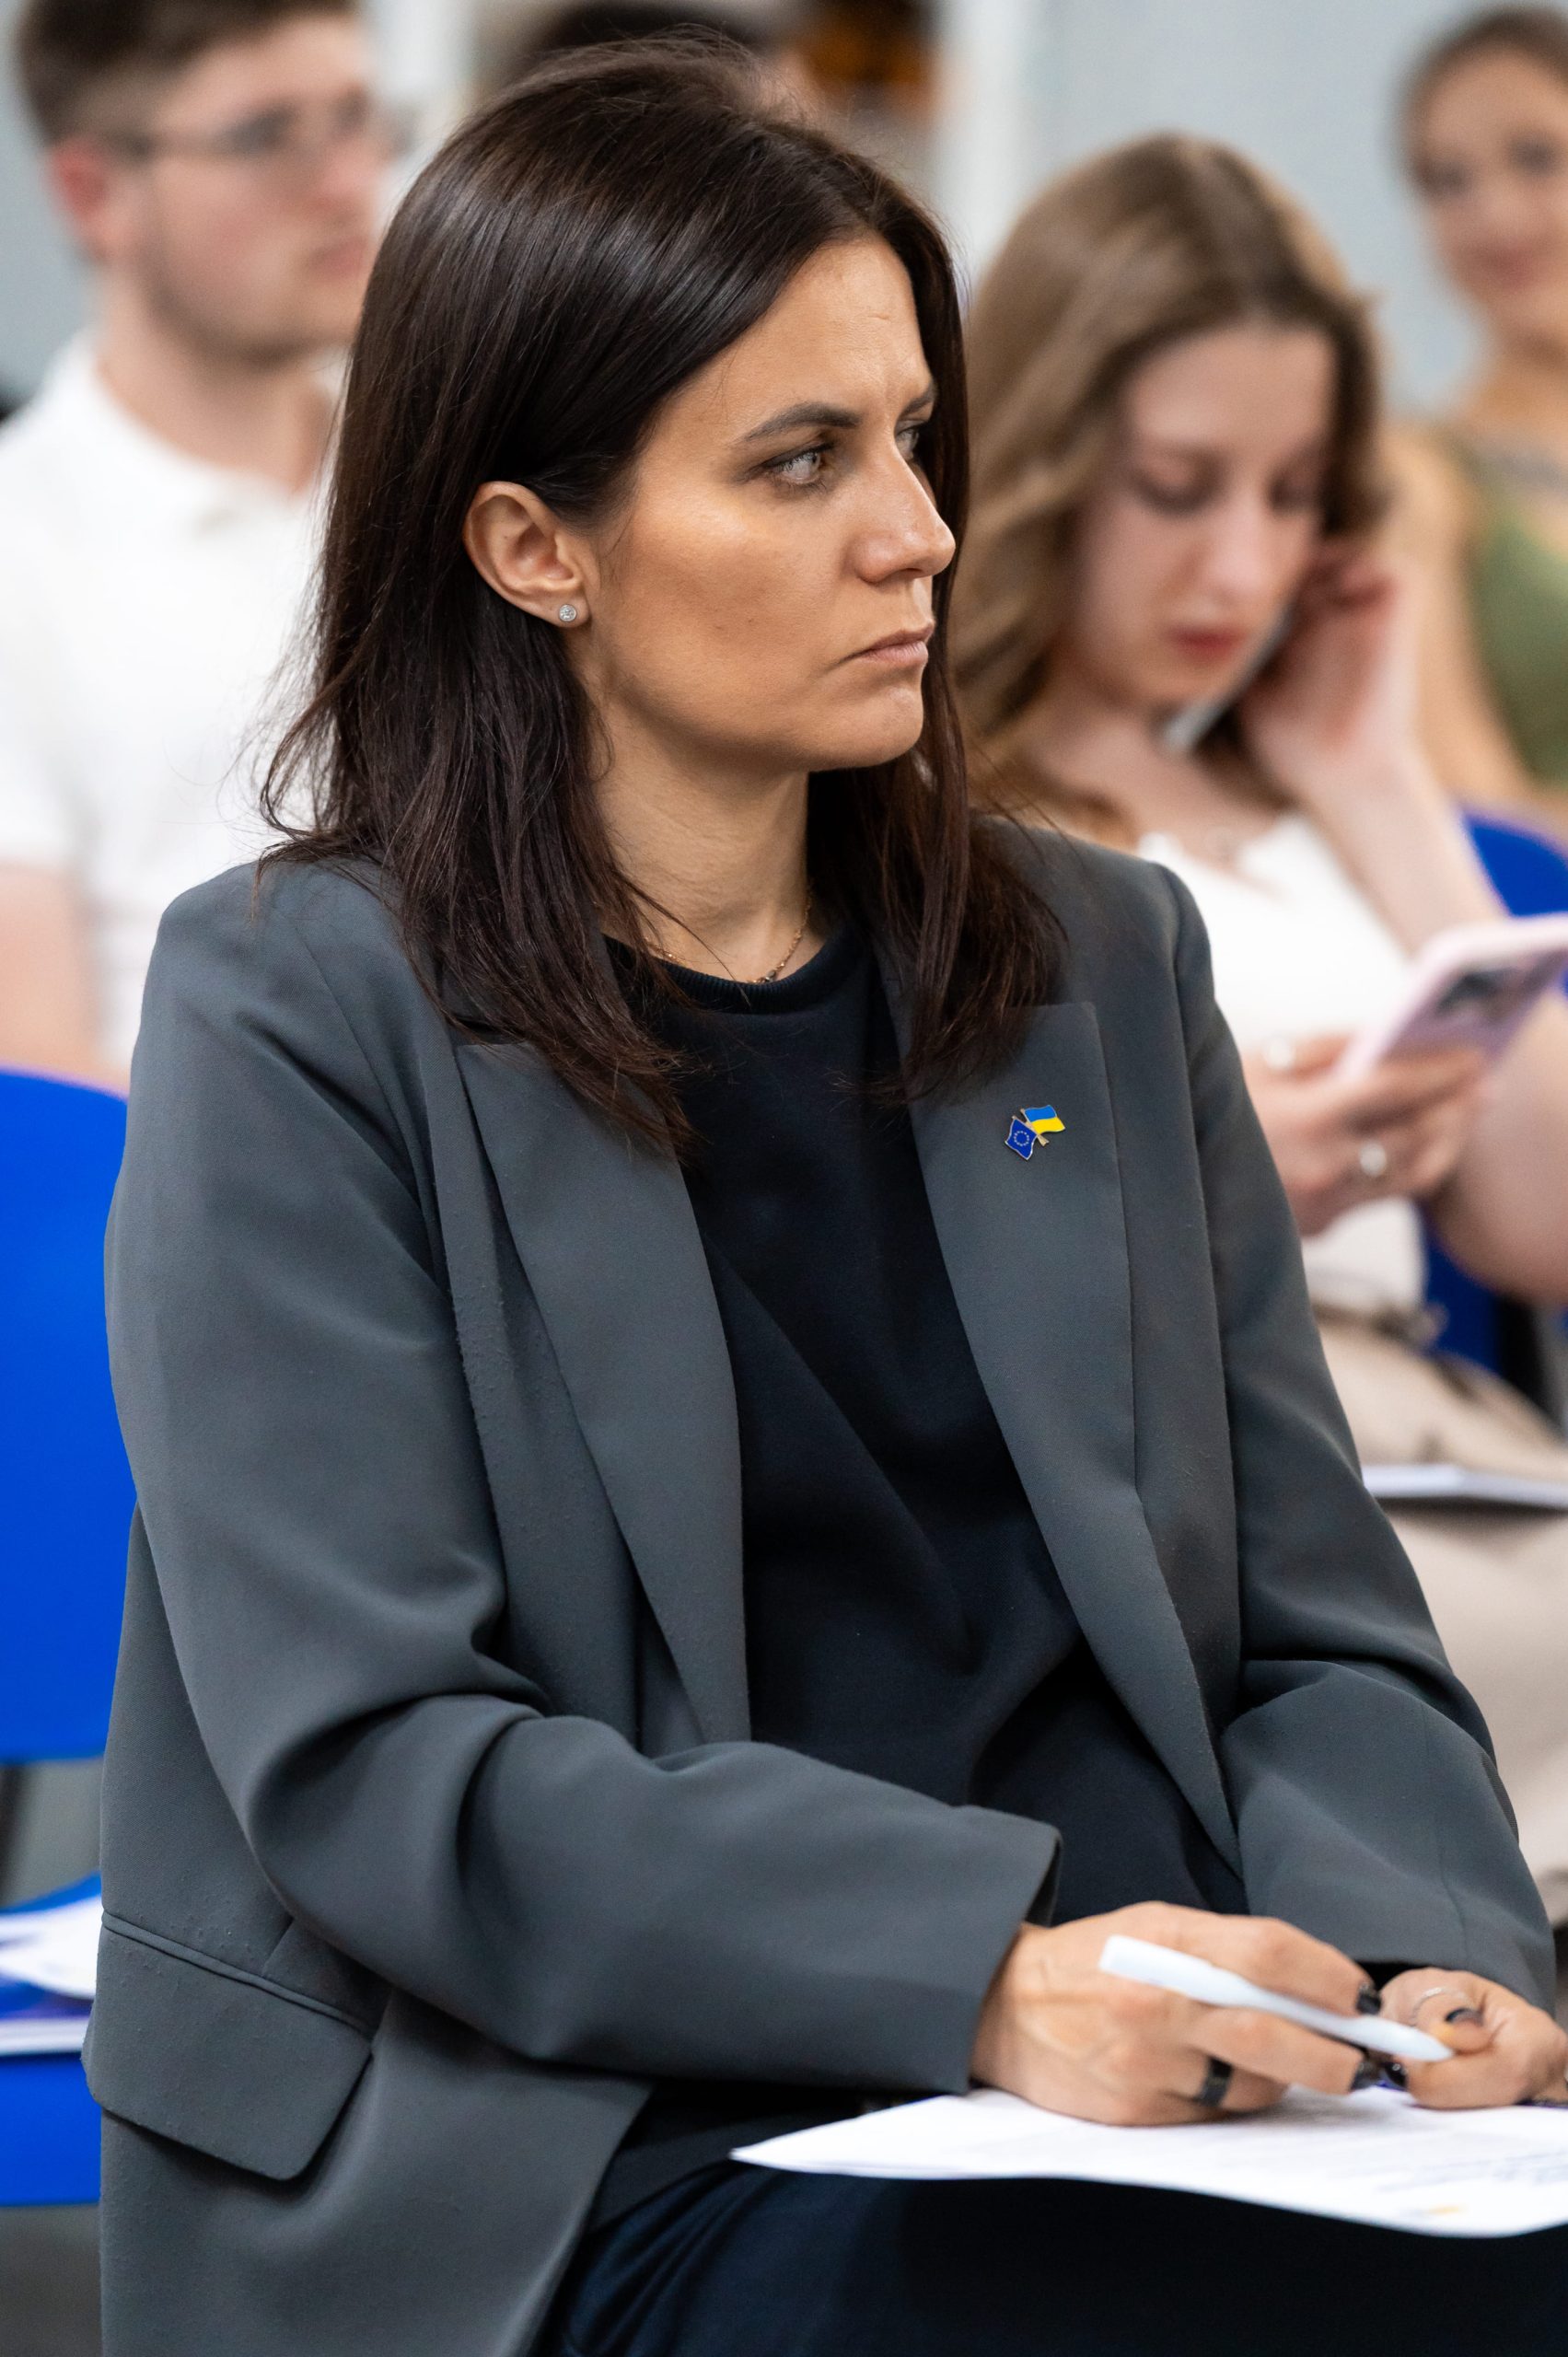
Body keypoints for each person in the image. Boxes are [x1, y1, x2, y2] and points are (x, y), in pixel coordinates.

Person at [98, 47, 1567, 2357]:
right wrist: (979, 1972)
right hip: (595, 2119)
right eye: (797, 462)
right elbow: (380, 1764)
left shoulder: (1097, 956)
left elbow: (1314, 1627)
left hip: (1152, 2058)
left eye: (908, 437)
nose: (917, 533)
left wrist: (1423, 1953)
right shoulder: (297, 1003)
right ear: (533, 545)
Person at [957, 131, 1568, 1928]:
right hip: (1164, 1466)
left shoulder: (1314, 804)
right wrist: (1197, 1180)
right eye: (1175, 486)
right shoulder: (939, 814)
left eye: (1293, 494)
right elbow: (946, 1153)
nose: (1237, 560)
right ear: (1045, 460)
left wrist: (1372, 780)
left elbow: (1542, 1222)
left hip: (1435, 1447)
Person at [0, 0, 391, 1087]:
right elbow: (30, 1060)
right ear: (96, 194)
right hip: (185, 1175)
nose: (344, 183)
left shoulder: (445, 478)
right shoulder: (20, 548)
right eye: (267, 136)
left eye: (354, 116)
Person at [1391, 6, 1568, 830]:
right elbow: (1470, 810)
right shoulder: (1417, 476)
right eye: (1448, 181)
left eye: (1536, 158)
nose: (1495, 217)